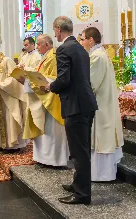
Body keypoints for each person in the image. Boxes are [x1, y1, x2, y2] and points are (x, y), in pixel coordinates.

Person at [44, 16, 98, 205]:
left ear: (59, 29)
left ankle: (82, 194)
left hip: (75, 106)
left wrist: (49, 86)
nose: (54, 33)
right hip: (86, 104)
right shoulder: (80, 48)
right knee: (81, 149)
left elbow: (64, 80)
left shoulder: (63, 49)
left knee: (79, 151)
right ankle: (79, 184)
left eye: (54, 29)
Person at [80, 27, 124, 181]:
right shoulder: (99, 54)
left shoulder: (97, 56)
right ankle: (98, 173)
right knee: (101, 136)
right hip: (102, 102)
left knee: (101, 137)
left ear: (91, 40)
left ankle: (102, 175)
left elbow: (91, 84)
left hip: (100, 104)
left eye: (83, 39)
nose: (81, 42)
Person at [23, 34, 69, 167]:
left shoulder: (53, 57)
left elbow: (55, 79)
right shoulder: (46, 57)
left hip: (52, 100)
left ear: (47, 45)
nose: (36, 47)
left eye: (38, 44)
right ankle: (44, 158)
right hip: (44, 99)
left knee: (52, 131)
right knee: (45, 130)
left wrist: (31, 78)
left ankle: (54, 160)